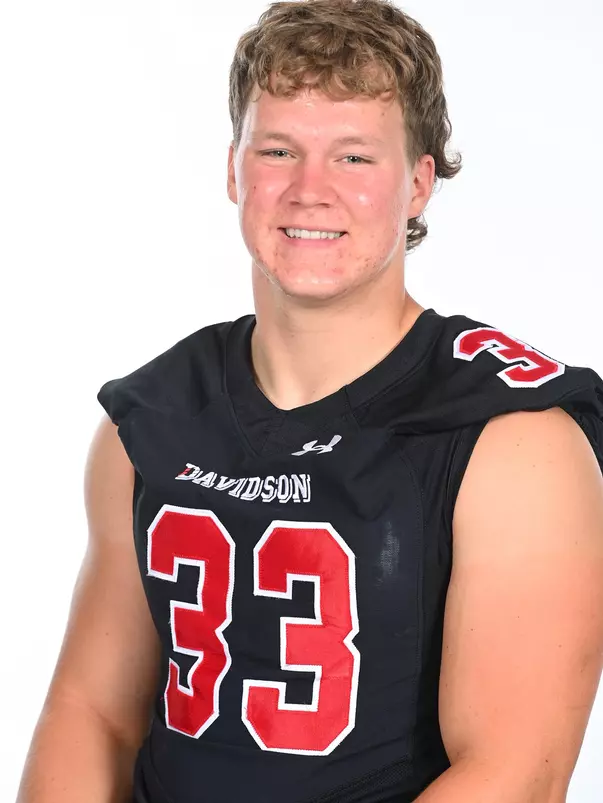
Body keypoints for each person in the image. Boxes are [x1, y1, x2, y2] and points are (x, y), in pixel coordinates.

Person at [16, 1, 603, 801]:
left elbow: (511, 773)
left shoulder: (511, 439)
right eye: (279, 149)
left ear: (418, 183)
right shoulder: (147, 421)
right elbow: (92, 713)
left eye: (355, 157)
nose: (308, 190)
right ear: (233, 169)